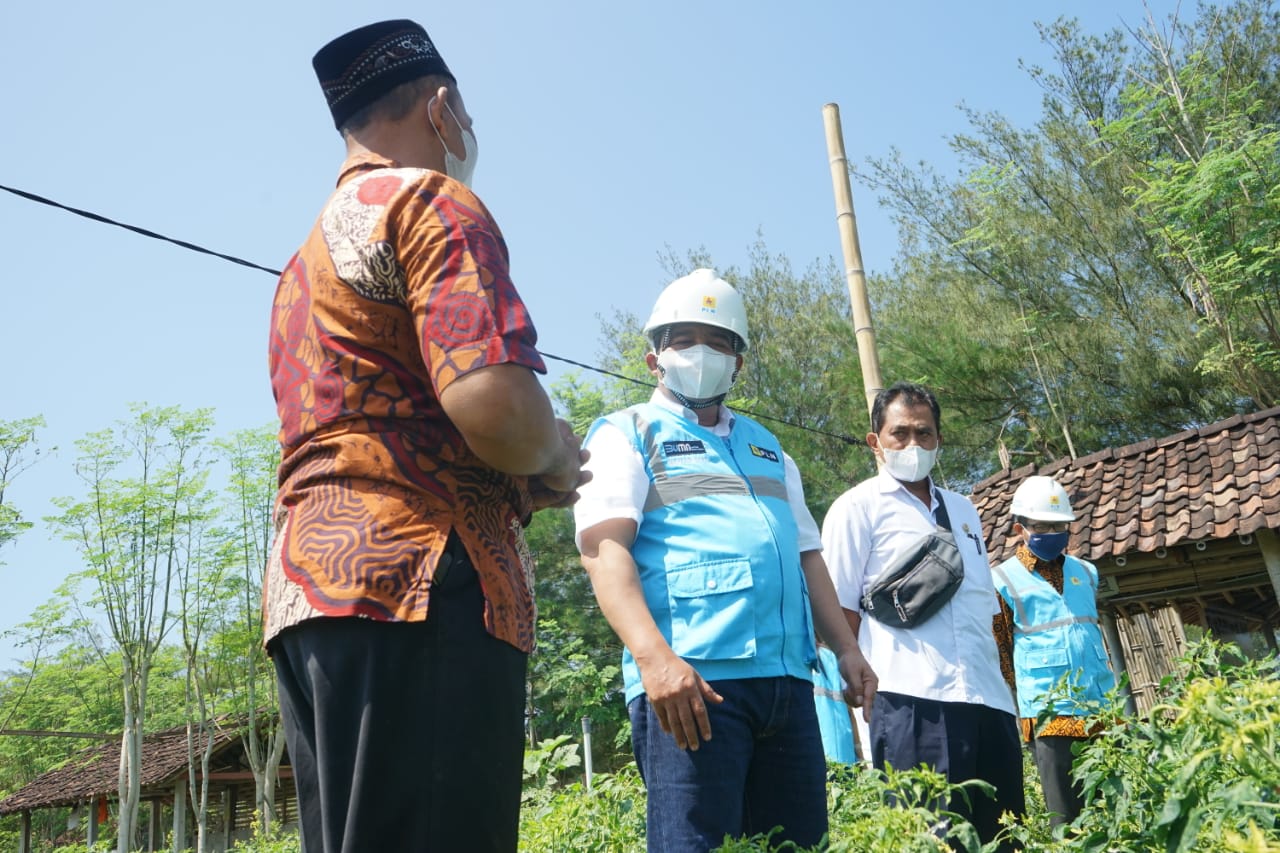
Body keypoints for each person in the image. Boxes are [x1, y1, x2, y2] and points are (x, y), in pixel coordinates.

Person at [265, 20, 587, 853]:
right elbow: (494, 406)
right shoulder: (430, 200)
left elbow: (385, 411)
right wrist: (551, 450)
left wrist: (521, 477)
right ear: (443, 108)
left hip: (313, 592)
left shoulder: (301, 268)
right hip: (419, 582)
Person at [574, 269, 878, 851]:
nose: (702, 353)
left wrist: (846, 648)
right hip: (693, 683)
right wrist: (654, 660)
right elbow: (601, 548)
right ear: (653, 357)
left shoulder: (768, 446)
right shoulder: (626, 432)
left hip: (788, 685)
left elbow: (808, 556)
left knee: (797, 845)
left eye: (719, 342)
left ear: (738, 362)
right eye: (684, 339)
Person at [821, 382, 1024, 851]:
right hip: (910, 699)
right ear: (876, 441)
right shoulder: (857, 508)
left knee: (1007, 839)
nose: (914, 445)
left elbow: (984, 608)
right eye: (900, 434)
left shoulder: (965, 511)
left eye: (924, 433)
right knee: (931, 839)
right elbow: (838, 608)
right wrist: (857, 676)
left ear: (939, 440)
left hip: (987, 700)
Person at [992, 475, 1116, 827]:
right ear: (1021, 528)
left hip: (1102, 709)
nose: (1054, 533)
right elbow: (1002, 651)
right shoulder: (1002, 580)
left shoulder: (1087, 573)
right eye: (1043, 526)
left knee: (1115, 812)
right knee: (1066, 819)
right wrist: (1022, 702)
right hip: (1050, 716)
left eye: (1060, 526)